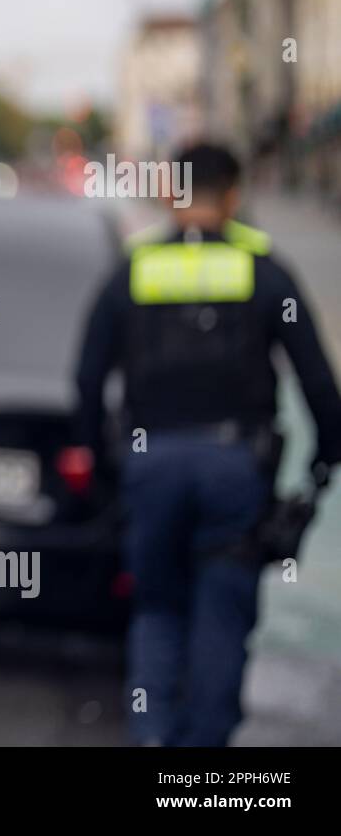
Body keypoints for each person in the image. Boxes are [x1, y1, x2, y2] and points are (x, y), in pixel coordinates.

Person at [75, 142, 341, 746]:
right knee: (223, 614)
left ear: (172, 193)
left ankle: (152, 742)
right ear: (233, 195)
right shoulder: (267, 272)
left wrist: (100, 465)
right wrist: (325, 462)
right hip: (234, 472)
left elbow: (88, 379)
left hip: (150, 469)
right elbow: (319, 382)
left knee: (157, 611)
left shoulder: (132, 270)